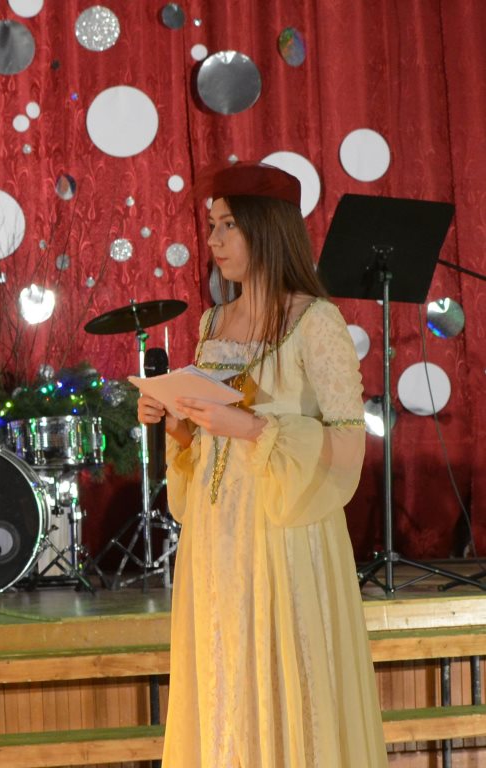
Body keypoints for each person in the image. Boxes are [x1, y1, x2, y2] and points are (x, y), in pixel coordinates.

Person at [138, 162, 388, 766]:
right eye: (212, 225)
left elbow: (347, 441)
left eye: (228, 225)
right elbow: (204, 445)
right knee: (225, 672)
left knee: (285, 672)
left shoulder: (316, 321)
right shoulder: (212, 322)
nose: (214, 240)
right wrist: (173, 419)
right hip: (217, 532)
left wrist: (253, 428)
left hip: (284, 530)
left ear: (267, 228)